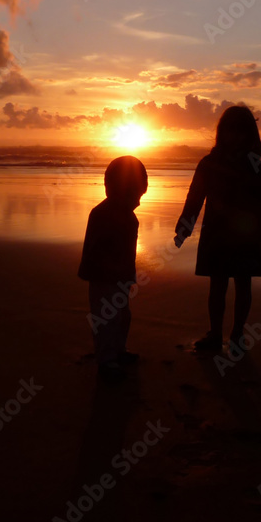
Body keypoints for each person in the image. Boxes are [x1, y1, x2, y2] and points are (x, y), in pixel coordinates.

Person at [174, 105, 261, 352]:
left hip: (246, 234)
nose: (235, 137)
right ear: (222, 133)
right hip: (217, 234)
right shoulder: (209, 163)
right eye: (230, 131)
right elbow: (194, 198)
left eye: (240, 132)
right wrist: (184, 227)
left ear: (249, 134)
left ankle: (237, 334)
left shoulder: (254, 166)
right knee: (218, 285)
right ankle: (216, 334)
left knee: (243, 285)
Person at [78, 155, 148, 382]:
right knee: (105, 317)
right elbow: (94, 251)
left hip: (121, 276)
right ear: (117, 190)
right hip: (102, 277)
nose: (138, 201)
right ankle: (106, 359)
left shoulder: (130, 217)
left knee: (122, 316)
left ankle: (118, 350)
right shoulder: (101, 214)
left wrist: (128, 274)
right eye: (136, 195)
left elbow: (129, 251)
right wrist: (110, 269)